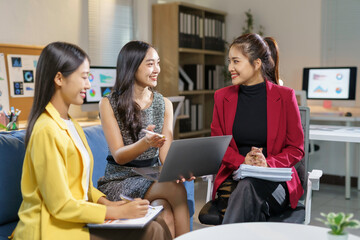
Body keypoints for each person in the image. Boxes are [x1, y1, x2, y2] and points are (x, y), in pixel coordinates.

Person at [12, 42, 172, 240]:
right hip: (53, 230)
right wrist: (117, 213)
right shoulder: (46, 130)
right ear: (59, 78)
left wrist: (110, 204)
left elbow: (83, 188)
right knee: (153, 230)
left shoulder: (72, 125)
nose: (88, 85)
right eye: (84, 77)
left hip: (78, 220)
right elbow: (60, 206)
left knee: (157, 223)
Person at [97, 41, 190, 238]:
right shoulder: (108, 103)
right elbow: (119, 156)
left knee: (164, 210)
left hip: (150, 177)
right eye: (150, 64)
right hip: (119, 179)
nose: (157, 69)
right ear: (132, 67)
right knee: (176, 190)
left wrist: (180, 169)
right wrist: (144, 144)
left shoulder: (164, 104)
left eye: (157, 63)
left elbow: (165, 156)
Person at [210, 33, 305, 223]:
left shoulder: (285, 96)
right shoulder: (222, 97)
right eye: (229, 61)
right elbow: (217, 147)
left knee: (248, 188)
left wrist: (267, 163)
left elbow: (296, 148)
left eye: (236, 61)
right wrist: (242, 161)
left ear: (257, 63)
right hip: (235, 178)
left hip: (276, 182)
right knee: (247, 189)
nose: (230, 68)